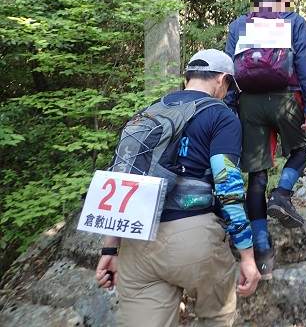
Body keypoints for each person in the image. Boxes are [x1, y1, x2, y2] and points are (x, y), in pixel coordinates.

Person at [95, 49, 260, 327]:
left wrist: (110, 251)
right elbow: (228, 186)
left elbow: (121, 181)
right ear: (222, 79)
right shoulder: (221, 116)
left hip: (137, 243)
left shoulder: (146, 114)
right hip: (194, 239)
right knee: (217, 318)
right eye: (229, 85)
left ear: (187, 79)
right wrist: (247, 256)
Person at [225, 0, 306, 281]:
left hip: (249, 104)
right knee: (300, 150)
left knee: (256, 174)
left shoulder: (240, 25)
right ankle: (281, 195)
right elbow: (305, 62)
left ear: (256, 3)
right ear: (282, 2)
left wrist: (229, 106)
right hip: (286, 97)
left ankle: (263, 253)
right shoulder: (293, 22)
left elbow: (229, 68)